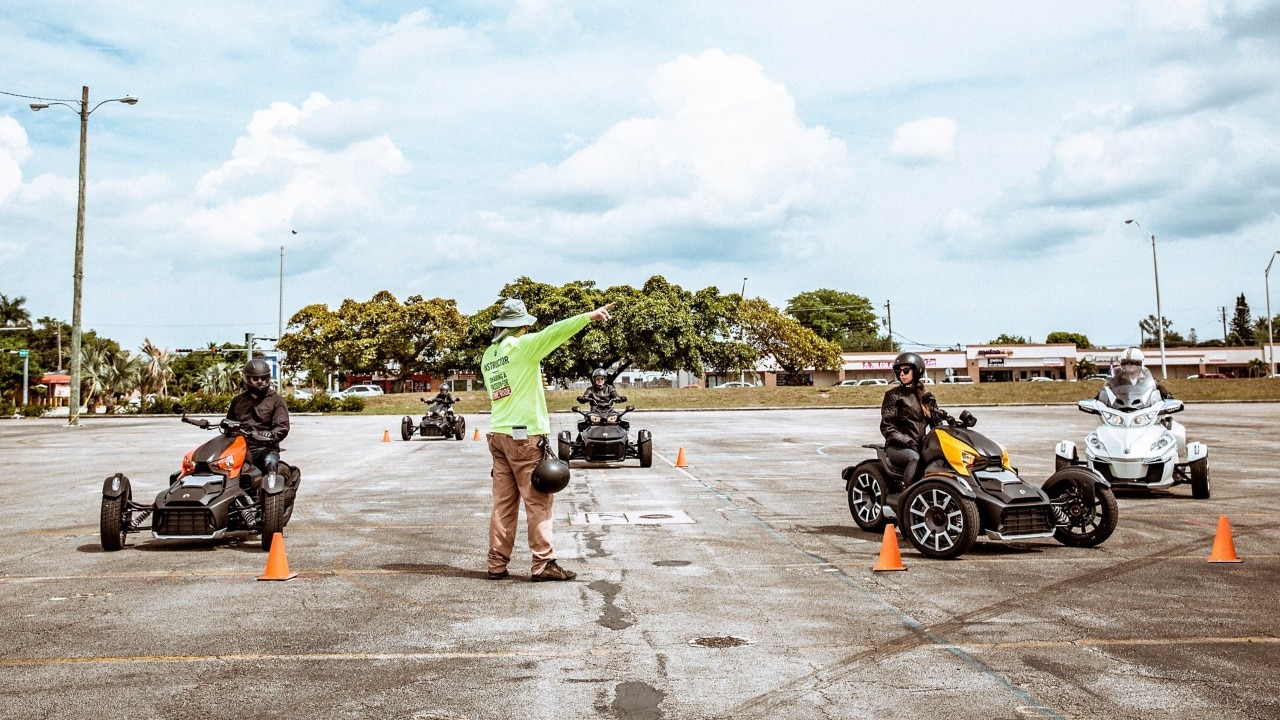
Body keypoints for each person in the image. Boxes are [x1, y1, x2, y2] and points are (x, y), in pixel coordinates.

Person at [481, 297, 614, 582]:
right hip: (524, 436)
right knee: (538, 501)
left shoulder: (489, 356)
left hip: (497, 434)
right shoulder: (523, 347)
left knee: (503, 504)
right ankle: (543, 564)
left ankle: (496, 563)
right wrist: (588, 317)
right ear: (522, 325)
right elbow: (554, 332)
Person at [880, 352, 949, 486]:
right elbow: (887, 427)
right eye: (899, 371)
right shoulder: (893, 395)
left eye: (906, 371)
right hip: (897, 447)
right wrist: (909, 442)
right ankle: (909, 495)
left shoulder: (926, 396)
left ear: (917, 371)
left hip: (920, 445)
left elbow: (936, 424)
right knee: (915, 459)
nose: (902, 374)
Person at [226, 358, 290, 484]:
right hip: (241, 447)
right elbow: (229, 422)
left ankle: (272, 498)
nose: (260, 381)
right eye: (255, 379)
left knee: (270, 463)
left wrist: (271, 434)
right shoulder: (238, 401)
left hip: (265, 447)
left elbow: (282, 426)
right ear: (247, 379)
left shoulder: (276, 400)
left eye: (264, 378)